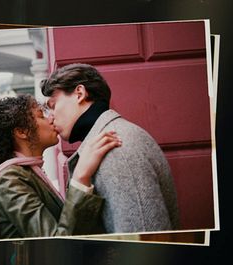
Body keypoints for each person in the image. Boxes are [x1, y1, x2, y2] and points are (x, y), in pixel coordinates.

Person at [41, 63, 180, 233]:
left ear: (79, 94)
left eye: (53, 105)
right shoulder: (108, 141)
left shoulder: (116, 149)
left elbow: (143, 234)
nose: (51, 117)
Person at [0, 95, 121, 239]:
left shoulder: (25, 172)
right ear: (22, 132)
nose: (51, 118)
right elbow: (56, 245)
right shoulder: (9, 179)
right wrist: (81, 177)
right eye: (41, 115)